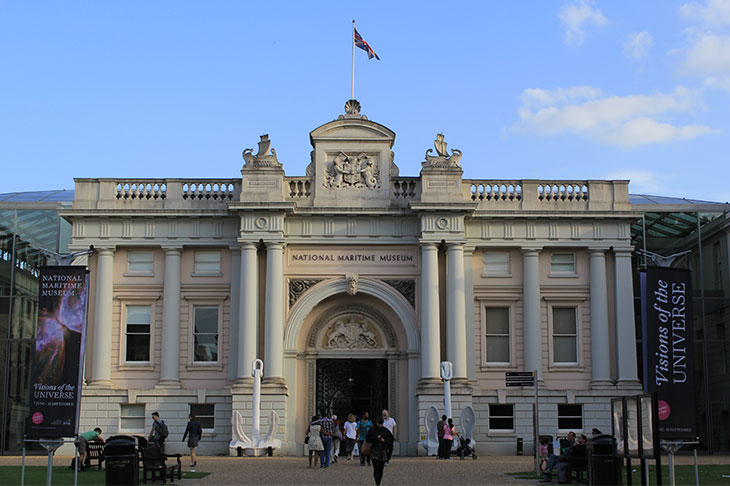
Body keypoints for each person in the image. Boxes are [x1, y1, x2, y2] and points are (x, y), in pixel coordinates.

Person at [366, 416, 394, 486]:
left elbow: (391, 439)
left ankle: (378, 482)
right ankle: (377, 482)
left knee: (381, 468)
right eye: (379, 423)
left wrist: (384, 440)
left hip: (383, 451)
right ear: (377, 423)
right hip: (374, 450)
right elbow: (368, 439)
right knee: (376, 468)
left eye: (381, 423)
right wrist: (376, 438)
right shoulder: (372, 430)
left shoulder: (385, 430)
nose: (380, 425)